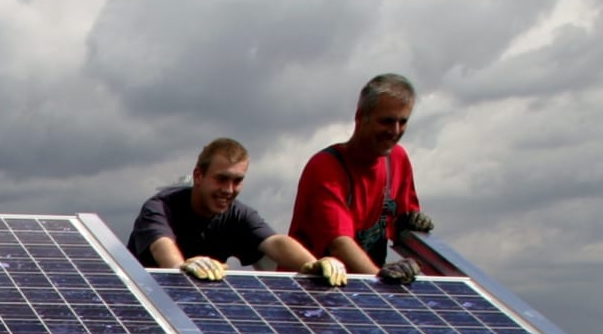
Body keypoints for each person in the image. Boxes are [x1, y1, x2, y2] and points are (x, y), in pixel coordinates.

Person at [129, 137, 348, 285]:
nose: (228, 190)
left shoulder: (237, 214)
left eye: (237, 181)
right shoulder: (160, 208)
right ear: (198, 176)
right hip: (146, 309)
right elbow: (161, 245)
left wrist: (313, 264)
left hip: (195, 309)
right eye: (221, 179)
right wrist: (181, 267)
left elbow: (274, 242)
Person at [290, 73, 437, 284]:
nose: (394, 131)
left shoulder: (398, 159)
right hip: (316, 291)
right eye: (386, 121)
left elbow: (402, 225)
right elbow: (340, 244)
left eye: (402, 122)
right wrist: (380, 281)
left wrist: (414, 227)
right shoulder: (326, 168)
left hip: (363, 292)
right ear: (361, 117)